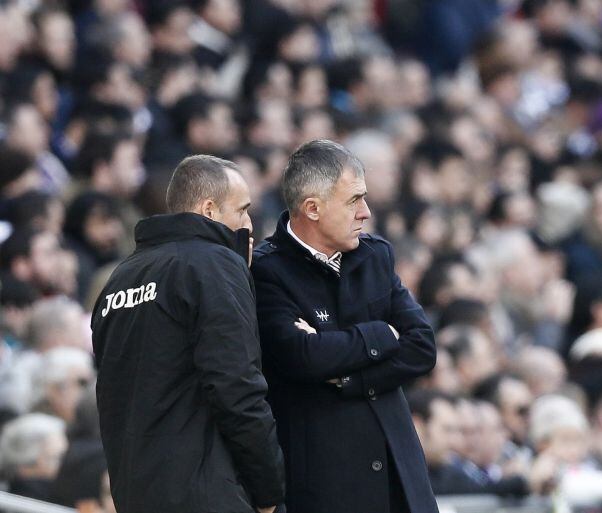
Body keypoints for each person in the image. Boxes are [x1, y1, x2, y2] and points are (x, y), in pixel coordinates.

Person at [251, 139, 438, 513]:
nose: (366, 212)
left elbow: (421, 347)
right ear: (313, 208)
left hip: (399, 472)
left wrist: (349, 378)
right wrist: (382, 334)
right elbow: (302, 357)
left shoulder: (376, 255)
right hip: (327, 483)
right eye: (353, 200)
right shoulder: (265, 271)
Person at [91, 155, 284, 513]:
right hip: (208, 492)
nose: (248, 224)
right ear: (209, 210)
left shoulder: (121, 276)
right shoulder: (213, 262)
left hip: (135, 491)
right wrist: (270, 490)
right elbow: (238, 387)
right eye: (241, 210)